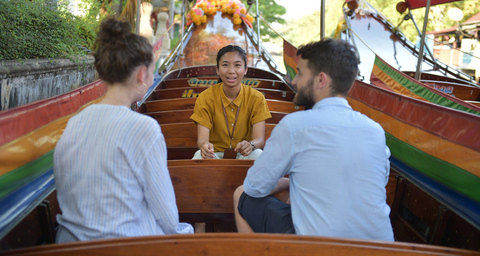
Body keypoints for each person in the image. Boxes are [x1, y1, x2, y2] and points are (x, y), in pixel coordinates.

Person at [233, 39, 394, 241]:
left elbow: (255, 187)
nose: (294, 81)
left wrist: (287, 182)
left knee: (242, 194)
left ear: (321, 80)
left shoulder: (294, 126)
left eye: (300, 73)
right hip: (382, 248)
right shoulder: (375, 131)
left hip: (320, 248)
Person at [54, 17, 193, 243]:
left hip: (69, 244)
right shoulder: (144, 128)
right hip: (121, 244)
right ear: (141, 75)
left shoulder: (75, 122)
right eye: (151, 71)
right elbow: (167, 216)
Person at [190, 45, 271, 159]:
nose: (231, 71)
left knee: (258, 154)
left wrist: (251, 145)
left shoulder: (257, 98)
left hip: (244, 153)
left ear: (245, 70)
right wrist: (205, 146)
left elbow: (259, 140)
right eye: (225, 65)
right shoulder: (205, 98)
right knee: (199, 156)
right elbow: (202, 139)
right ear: (217, 70)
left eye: (237, 65)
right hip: (214, 154)